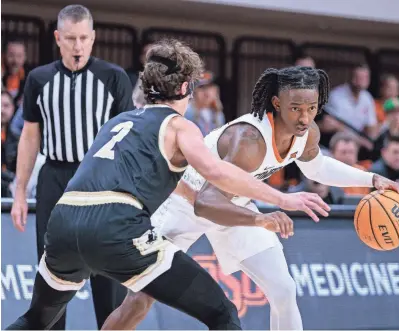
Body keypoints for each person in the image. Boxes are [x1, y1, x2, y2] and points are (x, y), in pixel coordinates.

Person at [5, 40, 331, 331]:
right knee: (223, 315)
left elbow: (177, 186)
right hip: (114, 225)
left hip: (64, 220)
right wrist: (282, 199)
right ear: (186, 87)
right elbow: (217, 172)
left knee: (36, 321)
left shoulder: (118, 122)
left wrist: (248, 217)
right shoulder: (178, 125)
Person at [101, 66, 399, 331]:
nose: (304, 117)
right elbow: (204, 204)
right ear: (277, 103)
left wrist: (370, 179)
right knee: (141, 298)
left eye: (312, 108)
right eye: (296, 109)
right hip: (184, 201)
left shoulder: (306, 131)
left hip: (234, 203)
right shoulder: (249, 140)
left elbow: (316, 166)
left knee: (283, 289)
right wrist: (260, 218)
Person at [9, 5, 134, 329]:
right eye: (70, 39)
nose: (77, 46)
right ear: (57, 39)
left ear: (92, 38)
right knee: (53, 274)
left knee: (107, 276)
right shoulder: (39, 79)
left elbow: (129, 141)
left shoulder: (113, 77)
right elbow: (30, 136)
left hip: (101, 180)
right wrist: (21, 191)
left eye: (83, 38)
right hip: (55, 178)